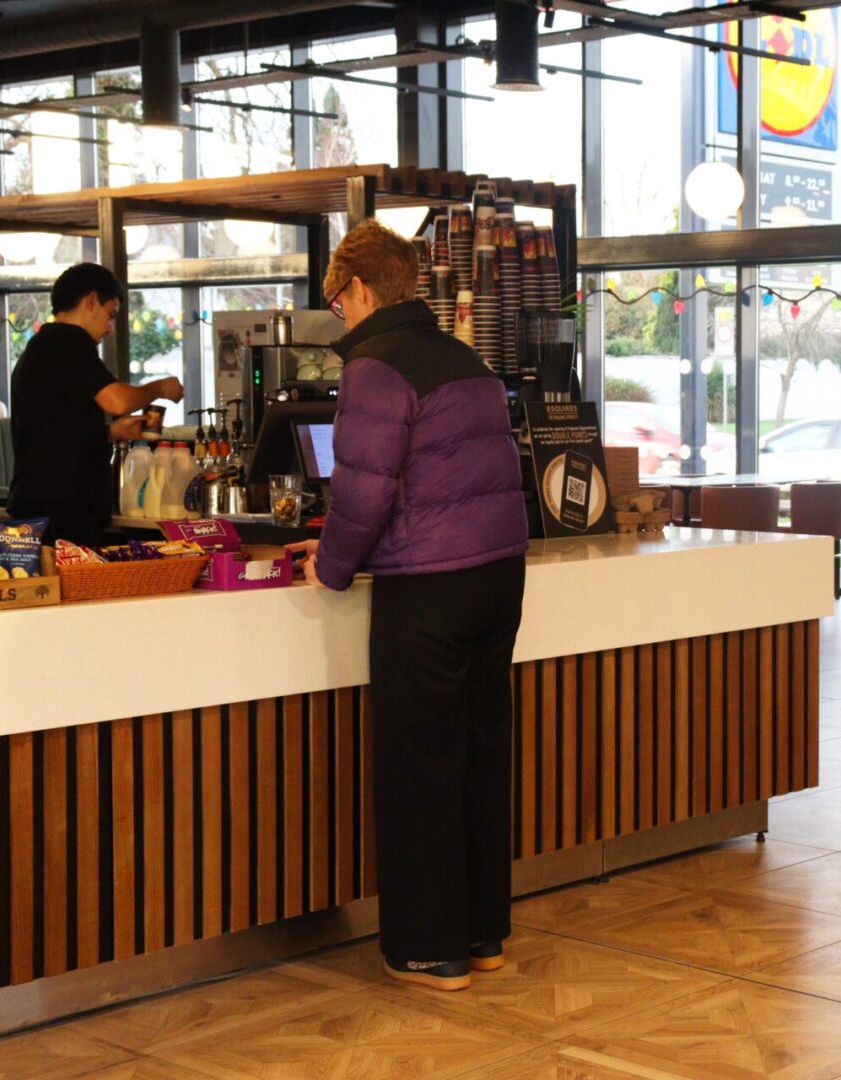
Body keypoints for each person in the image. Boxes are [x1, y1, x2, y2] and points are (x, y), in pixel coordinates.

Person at [284, 221, 529, 992]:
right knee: (481, 754)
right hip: (499, 575)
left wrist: (328, 567)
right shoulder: (466, 359)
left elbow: (363, 493)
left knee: (420, 763)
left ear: (359, 288)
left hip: (427, 586)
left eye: (337, 301)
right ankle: (482, 935)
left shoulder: (375, 368)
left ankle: (428, 950)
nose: (340, 315)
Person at [8, 264, 182, 545]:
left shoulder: (42, 346)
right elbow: (117, 401)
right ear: (91, 301)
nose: (111, 328)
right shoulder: (68, 340)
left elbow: (54, 433)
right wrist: (161, 388)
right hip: (61, 511)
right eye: (110, 314)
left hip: (41, 504)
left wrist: (112, 433)